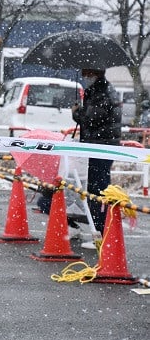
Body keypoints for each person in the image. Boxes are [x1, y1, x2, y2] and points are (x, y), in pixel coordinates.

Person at [71, 68, 121, 243]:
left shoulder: (101, 92)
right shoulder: (101, 90)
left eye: (87, 74)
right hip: (101, 145)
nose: (85, 77)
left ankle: (100, 233)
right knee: (96, 188)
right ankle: (99, 231)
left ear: (94, 74)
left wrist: (76, 112)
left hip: (101, 147)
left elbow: (92, 118)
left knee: (98, 189)